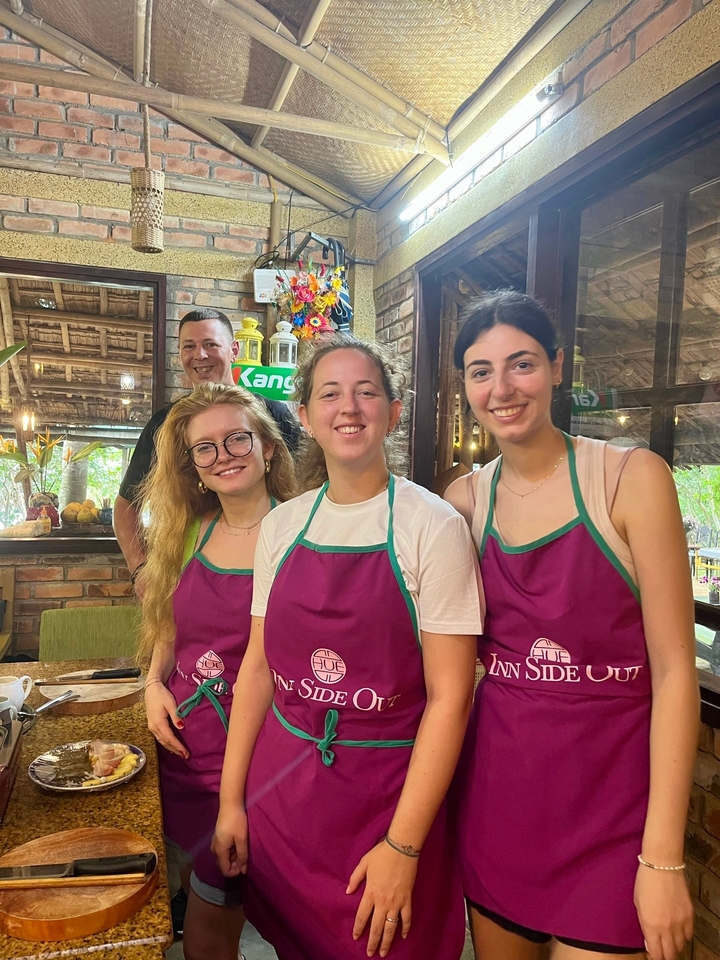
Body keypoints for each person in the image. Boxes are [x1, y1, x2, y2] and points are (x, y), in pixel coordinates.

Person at [445, 290, 699, 960]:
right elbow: (443, 668)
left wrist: (664, 859)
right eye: (480, 371)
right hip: (498, 808)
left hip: (616, 823)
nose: (502, 388)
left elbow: (676, 674)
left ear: (558, 366)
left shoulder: (630, 478)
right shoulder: (464, 502)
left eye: (521, 363)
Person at [211, 336, 482, 960]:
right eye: (329, 393)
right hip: (284, 803)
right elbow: (257, 671)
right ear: (304, 416)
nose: (349, 407)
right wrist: (232, 802)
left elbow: (450, 699)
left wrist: (403, 847)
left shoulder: (432, 526)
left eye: (367, 392)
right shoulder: (283, 524)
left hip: (386, 805)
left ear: (392, 410)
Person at [138, 381, 296, 960]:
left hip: (261, 756)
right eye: (205, 448)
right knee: (200, 896)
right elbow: (167, 625)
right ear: (193, 467)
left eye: (236, 438)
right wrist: (153, 682)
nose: (223, 454)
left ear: (269, 448)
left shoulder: (302, 531)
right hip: (183, 749)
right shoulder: (190, 532)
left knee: (223, 914)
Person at [114, 308, 300, 586]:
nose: (199, 355)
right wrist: (139, 569)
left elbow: (302, 489)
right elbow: (126, 504)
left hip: (272, 562)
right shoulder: (164, 424)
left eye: (210, 344)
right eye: (189, 347)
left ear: (234, 350)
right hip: (190, 566)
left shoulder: (274, 413)